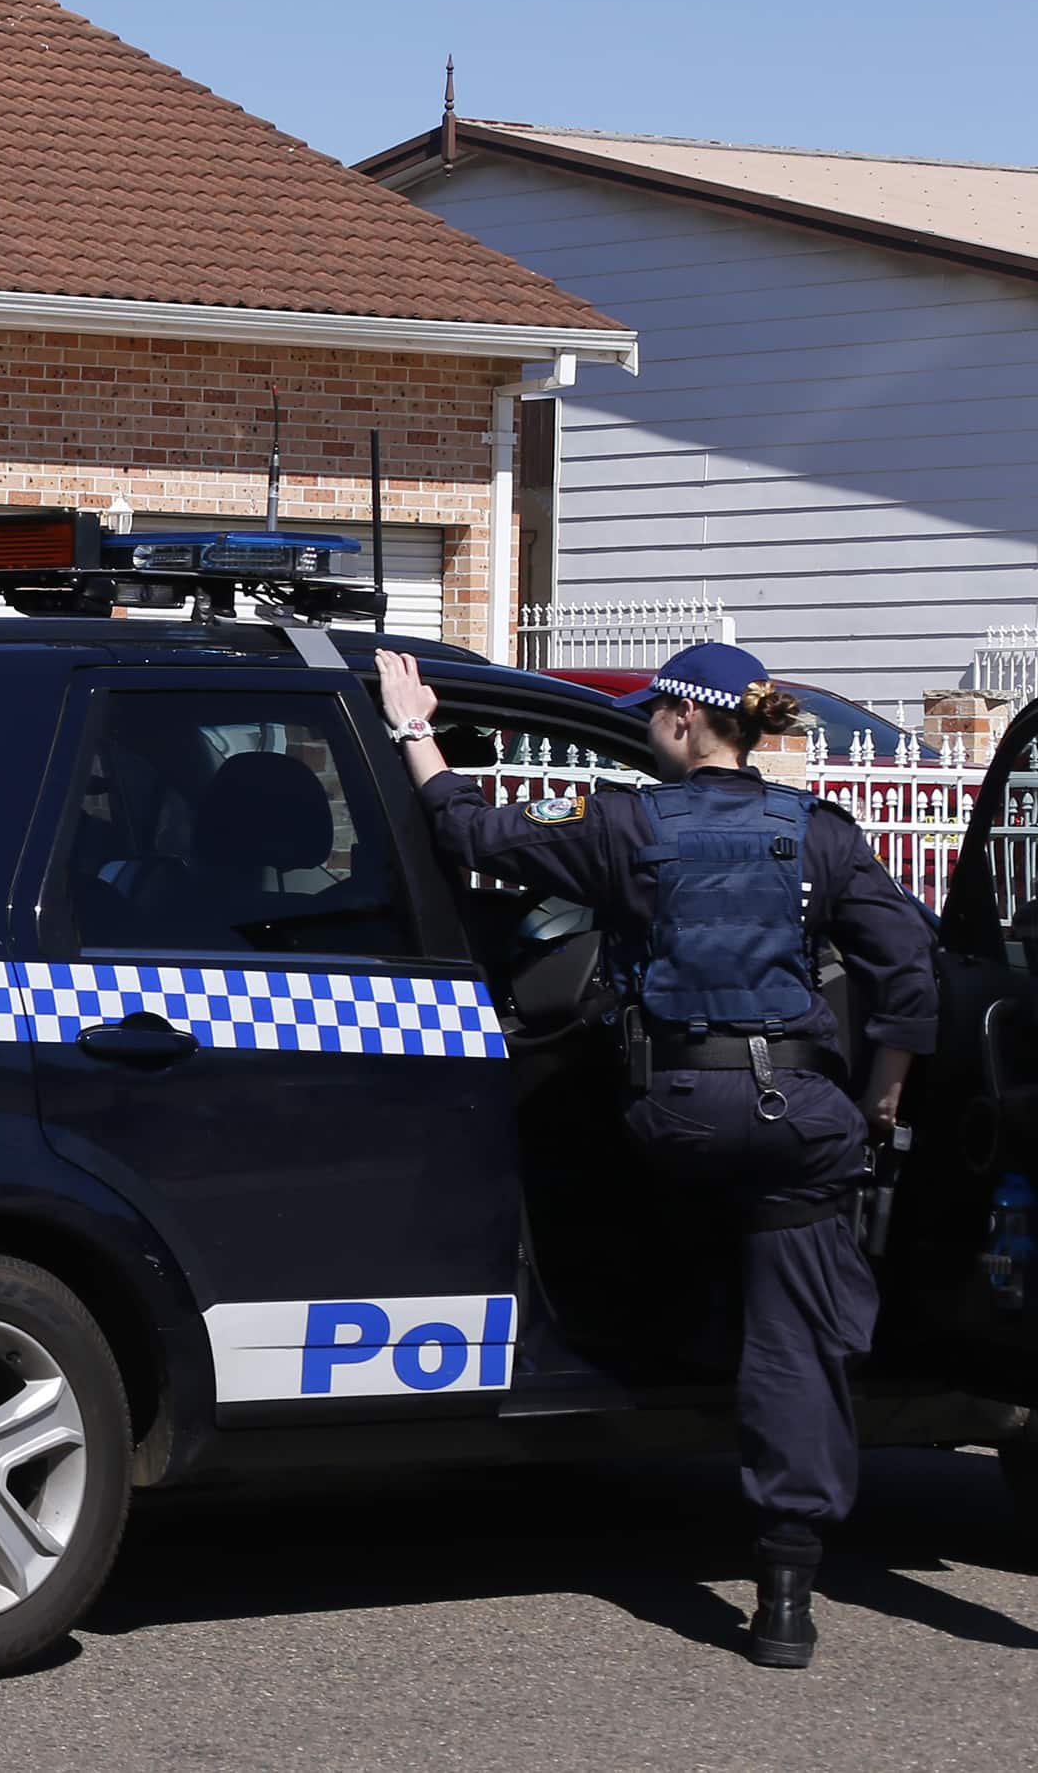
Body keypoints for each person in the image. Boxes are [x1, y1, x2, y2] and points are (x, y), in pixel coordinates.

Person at [373, 641, 931, 1670]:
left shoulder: (623, 824)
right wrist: (882, 1094)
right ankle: (783, 1589)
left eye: (648, 718)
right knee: (793, 1332)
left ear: (681, 722)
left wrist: (411, 727)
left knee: (579, 1148)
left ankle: (609, 1368)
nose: (641, 732)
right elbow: (905, 971)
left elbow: (466, 832)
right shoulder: (820, 837)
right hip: (798, 1122)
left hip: (668, 1118)